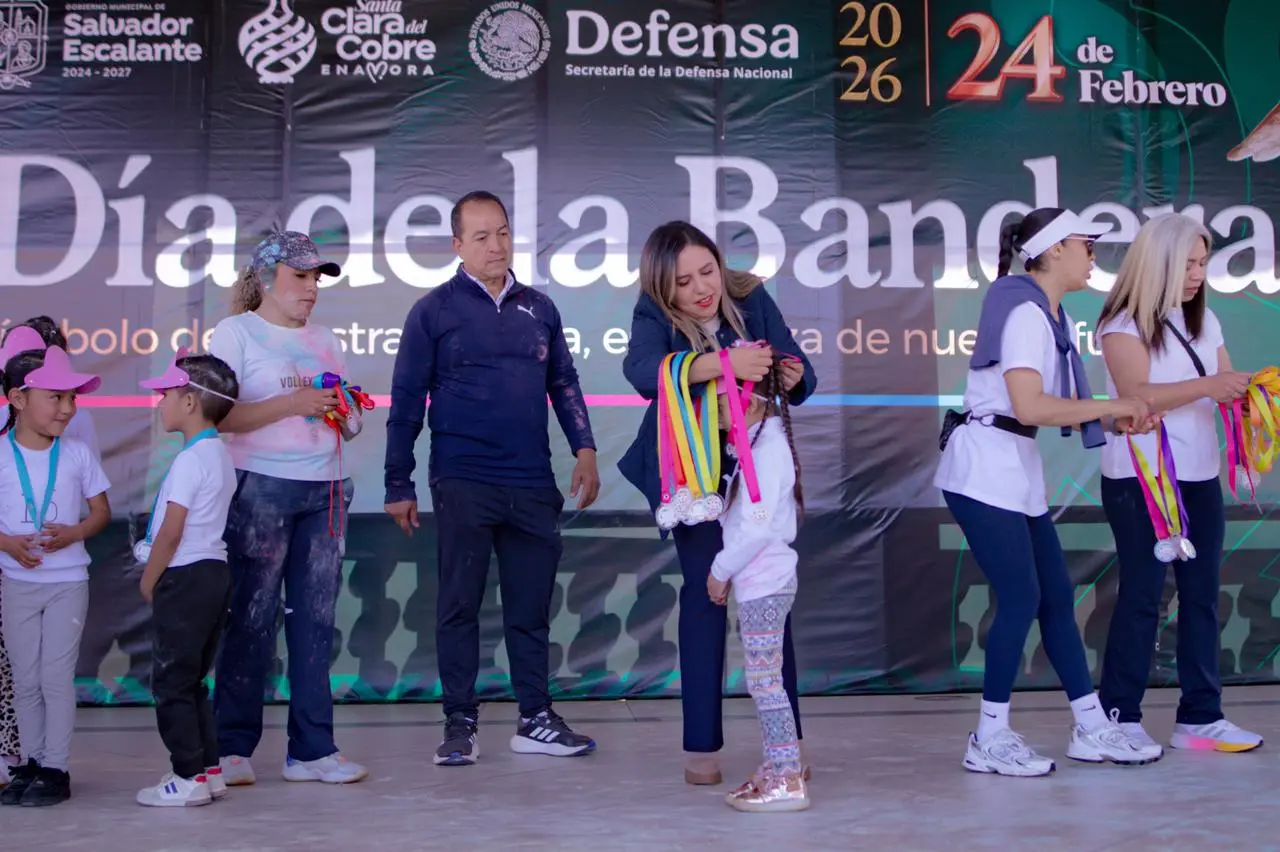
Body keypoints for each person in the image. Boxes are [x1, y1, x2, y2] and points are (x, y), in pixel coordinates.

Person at [933, 207, 1166, 777]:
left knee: (1056, 598)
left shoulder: (1044, 313)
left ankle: (1090, 726)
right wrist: (1113, 406)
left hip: (1013, 468)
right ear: (1055, 249)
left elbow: (1042, 410)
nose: (1094, 255)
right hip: (984, 471)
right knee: (1020, 598)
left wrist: (1114, 420)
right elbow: (1030, 406)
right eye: (1087, 244)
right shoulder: (1025, 314)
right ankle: (988, 736)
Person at [385, 190, 600, 766]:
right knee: (459, 604)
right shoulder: (432, 311)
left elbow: (565, 383)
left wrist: (585, 448)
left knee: (530, 607)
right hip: (463, 478)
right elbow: (406, 402)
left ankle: (536, 719)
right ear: (457, 245)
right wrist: (397, 483)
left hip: (531, 480)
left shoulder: (540, 308)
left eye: (502, 232)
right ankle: (460, 724)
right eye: (481, 236)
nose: (495, 245)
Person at [618, 221, 816, 786]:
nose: (702, 287)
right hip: (694, 473)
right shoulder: (652, 312)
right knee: (706, 593)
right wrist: (723, 365)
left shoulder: (749, 294)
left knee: (768, 601)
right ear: (663, 286)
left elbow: (800, 373)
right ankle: (701, 748)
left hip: (755, 462)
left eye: (708, 270)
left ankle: (788, 745)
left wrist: (787, 372)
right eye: (684, 281)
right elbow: (642, 374)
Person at [1095, 213, 1263, 752]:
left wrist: (1250, 401)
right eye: (1188, 262)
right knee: (1143, 597)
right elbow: (1134, 394)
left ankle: (1201, 715)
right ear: (1159, 262)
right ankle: (1118, 716)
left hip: (1199, 477)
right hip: (1140, 480)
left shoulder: (1204, 322)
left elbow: (1222, 386)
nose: (1197, 273)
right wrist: (1209, 385)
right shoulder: (1121, 323)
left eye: (1203, 262)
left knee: (1202, 598)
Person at [209, 231, 369, 786]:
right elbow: (219, 418)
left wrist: (345, 412)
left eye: (317, 278)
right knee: (250, 618)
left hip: (325, 488)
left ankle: (312, 749)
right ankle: (231, 746)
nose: (311, 289)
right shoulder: (235, 333)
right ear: (266, 279)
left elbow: (335, 409)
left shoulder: (326, 339)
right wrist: (293, 403)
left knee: (316, 623)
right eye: (300, 277)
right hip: (259, 488)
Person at [0, 346, 111, 807]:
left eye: (71, 399)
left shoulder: (78, 454)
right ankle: (29, 762)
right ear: (18, 399)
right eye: (56, 397)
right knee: (25, 678)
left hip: (67, 582)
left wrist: (74, 534)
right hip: (16, 581)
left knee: (54, 677)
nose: (67, 409)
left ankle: (55, 767)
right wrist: (7, 544)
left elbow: (101, 512)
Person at [133, 351, 241, 807]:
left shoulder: (189, 462)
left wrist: (149, 580)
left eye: (166, 394)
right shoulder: (219, 456)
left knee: (171, 684)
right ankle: (209, 770)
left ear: (192, 402)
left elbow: (172, 532)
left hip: (185, 577)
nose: (160, 403)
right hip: (214, 574)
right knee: (193, 680)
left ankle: (186, 778)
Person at [706, 359, 810, 813]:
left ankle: (787, 775)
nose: (719, 410)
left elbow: (760, 526)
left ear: (749, 401)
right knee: (763, 679)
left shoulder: (768, 451)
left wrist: (719, 569)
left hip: (765, 580)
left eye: (724, 400)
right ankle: (777, 766)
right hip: (760, 581)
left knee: (767, 682)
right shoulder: (756, 445)